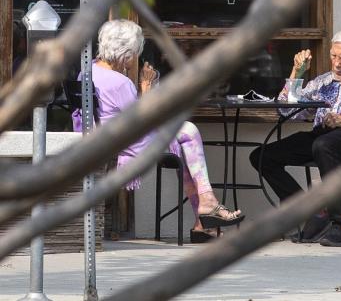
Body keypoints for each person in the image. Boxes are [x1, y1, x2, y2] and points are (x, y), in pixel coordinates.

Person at [74, 20, 243, 243]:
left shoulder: (88, 72)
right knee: (189, 131)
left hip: (109, 138)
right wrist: (145, 87)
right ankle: (206, 210)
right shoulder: (119, 82)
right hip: (128, 141)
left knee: (185, 145)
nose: (134, 58)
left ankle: (204, 219)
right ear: (125, 52)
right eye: (134, 53)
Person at [249, 28, 341, 247]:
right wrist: (296, 73)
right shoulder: (323, 81)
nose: (336, 63)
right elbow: (286, 111)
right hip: (323, 136)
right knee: (262, 156)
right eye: (333, 56)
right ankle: (314, 212)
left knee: (324, 145)